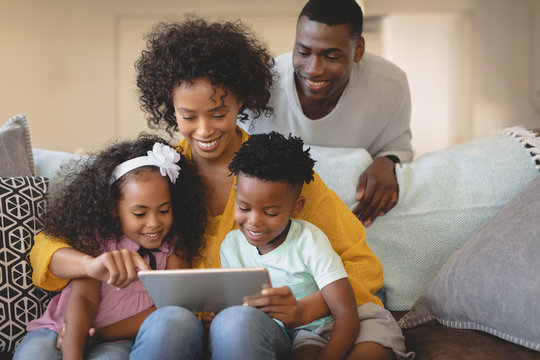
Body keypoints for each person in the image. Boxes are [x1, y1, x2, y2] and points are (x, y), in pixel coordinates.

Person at [29, 18, 411, 359]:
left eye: (219, 113)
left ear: (241, 101)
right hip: (177, 331)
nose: (205, 130)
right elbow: (50, 245)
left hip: (257, 329)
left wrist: (306, 308)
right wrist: (89, 266)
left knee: (236, 326)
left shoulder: (274, 174)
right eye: (188, 116)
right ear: (170, 108)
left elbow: (361, 265)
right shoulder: (157, 171)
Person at [15, 135, 208, 360]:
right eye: (140, 213)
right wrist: (73, 353)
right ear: (114, 209)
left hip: (115, 339)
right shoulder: (99, 240)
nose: (154, 222)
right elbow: (83, 298)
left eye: (164, 210)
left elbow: (168, 307)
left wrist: (100, 335)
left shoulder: (174, 250)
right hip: (61, 328)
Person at [240, 0, 413, 227]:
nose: (313, 69)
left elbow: (399, 149)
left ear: (358, 50)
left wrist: (387, 161)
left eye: (331, 57)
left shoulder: (390, 85)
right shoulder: (262, 84)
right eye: (303, 52)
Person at [221, 131, 360, 359]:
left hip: (310, 332)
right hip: (265, 332)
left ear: (296, 207)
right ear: (235, 196)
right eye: (244, 208)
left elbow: (347, 315)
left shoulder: (308, 241)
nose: (254, 220)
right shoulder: (231, 246)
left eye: (271, 212)